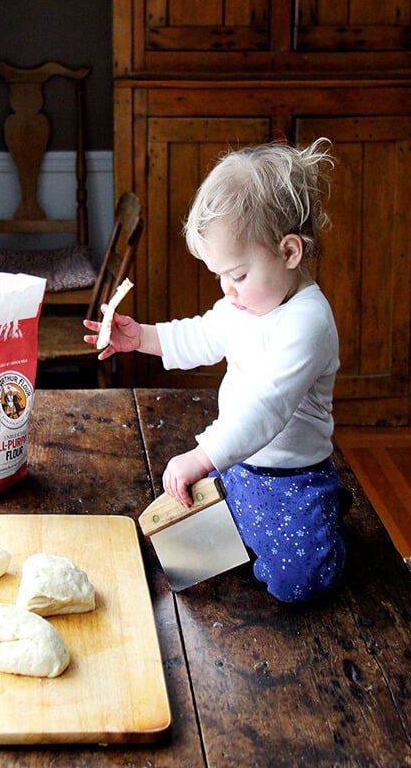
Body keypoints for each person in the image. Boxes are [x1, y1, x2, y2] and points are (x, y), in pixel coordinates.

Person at [84, 138, 350, 604]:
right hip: (239, 467)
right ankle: (273, 529)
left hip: (293, 477)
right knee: (190, 559)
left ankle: (322, 519)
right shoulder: (245, 303)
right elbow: (202, 335)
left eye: (238, 274)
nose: (228, 290)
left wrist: (201, 457)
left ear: (289, 252)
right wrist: (140, 337)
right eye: (219, 277)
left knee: (298, 583)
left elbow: (265, 410)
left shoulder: (307, 322)